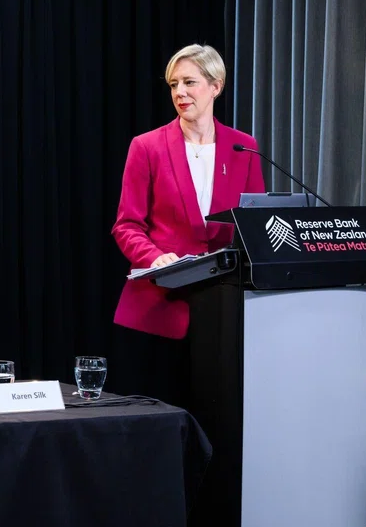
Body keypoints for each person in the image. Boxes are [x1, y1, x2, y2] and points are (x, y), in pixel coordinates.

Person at [110, 44, 265, 405]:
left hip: (225, 313)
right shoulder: (146, 147)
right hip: (161, 306)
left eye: (189, 82)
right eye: (173, 84)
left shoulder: (244, 148)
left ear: (216, 86)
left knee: (221, 422)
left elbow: (253, 225)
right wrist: (155, 256)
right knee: (160, 422)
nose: (179, 92)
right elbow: (126, 225)